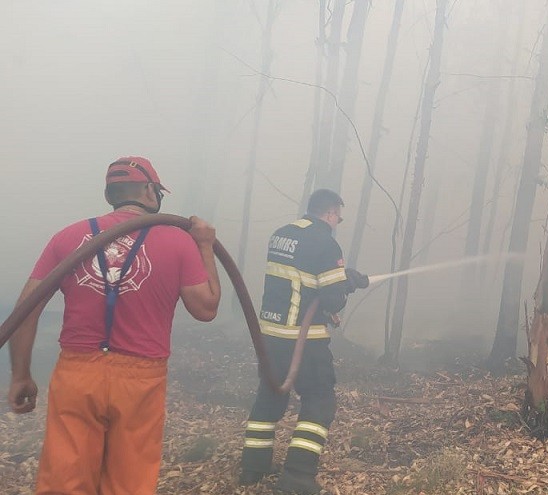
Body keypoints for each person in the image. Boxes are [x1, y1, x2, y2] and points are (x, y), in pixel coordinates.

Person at [5, 156, 222, 494]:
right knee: (129, 483)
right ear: (150, 190)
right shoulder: (179, 241)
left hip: (77, 376)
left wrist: (20, 374)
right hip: (141, 379)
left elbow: (26, 309)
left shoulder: (68, 237)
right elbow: (206, 308)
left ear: (111, 195)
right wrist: (205, 245)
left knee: (64, 481)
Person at [239, 188, 368, 494]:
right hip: (304, 341)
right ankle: (297, 477)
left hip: (270, 336)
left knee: (270, 396)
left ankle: (252, 468)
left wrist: (336, 281)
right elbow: (333, 298)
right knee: (320, 400)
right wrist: (346, 282)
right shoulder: (325, 242)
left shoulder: (281, 235)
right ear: (330, 213)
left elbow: (300, 284)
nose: (338, 221)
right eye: (338, 215)